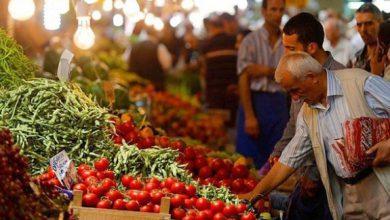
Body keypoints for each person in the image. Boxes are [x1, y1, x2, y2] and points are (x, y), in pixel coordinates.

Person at [239, 52, 390, 220]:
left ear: (312, 77)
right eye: (290, 93)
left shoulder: (360, 83)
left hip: (382, 184)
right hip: (348, 193)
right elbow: (289, 159)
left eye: (295, 90)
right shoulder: (307, 113)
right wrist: (255, 194)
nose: (295, 98)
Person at [269, 12, 345, 220]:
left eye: (291, 49)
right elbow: (294, 123)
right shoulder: (296, 73)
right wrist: (278, 151)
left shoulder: (339, 78)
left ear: (311, 47)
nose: (286, 55)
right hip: (306, 176)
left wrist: (312, 173)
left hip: (331, 183)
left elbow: (332, 135)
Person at [236, 0, 288, 168]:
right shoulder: (250, 41)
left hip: (280, 104)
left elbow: (290, 75)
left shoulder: (288, 43)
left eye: (281, 10)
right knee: (249, 161)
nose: (278, 14)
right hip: (254, 102)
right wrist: (250, 116)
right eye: (273, 9)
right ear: (264, 12)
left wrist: (265, 70)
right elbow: (244, 78)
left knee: (276, 159)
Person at [200, 17, 238, 127]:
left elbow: (203, 70)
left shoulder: (207, 44)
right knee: (231, 127)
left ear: (211, 27)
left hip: (214, 94)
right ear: (223, 26)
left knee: (216, 130)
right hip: (232, 93)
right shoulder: (234, 41)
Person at [353, 3, 383, 75]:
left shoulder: (387, 56)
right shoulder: (358, 57)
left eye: (369, 24)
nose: (363, 30)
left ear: (380, 23)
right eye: (359, 25)